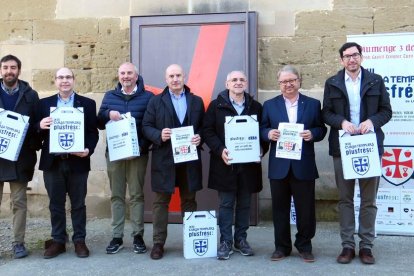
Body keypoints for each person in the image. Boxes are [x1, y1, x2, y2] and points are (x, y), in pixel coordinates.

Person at [322, 42, 392, 265]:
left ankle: (367, 246)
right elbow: (326, 113)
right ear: (341, 60)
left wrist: (371, 121)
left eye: (355, 55)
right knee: (345, 199)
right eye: (347, 56)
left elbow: (386, 111)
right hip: (343, 147)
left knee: (368, 200)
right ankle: (347, 246)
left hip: (369, 145)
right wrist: (342, 122)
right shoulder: (332, 83)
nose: (351, 59)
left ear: (361, 57)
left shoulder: (375, 80)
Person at [260, 65, 326, 263]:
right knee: (279, 209)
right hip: (279, 165)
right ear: (279, 84)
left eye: (291, 80)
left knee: (305, 209)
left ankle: (304, 245)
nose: (288, 84)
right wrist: (268, 133)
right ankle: (281, 247)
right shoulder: (269, 105)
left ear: (299, 81)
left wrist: (312, 134)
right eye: (283, 81)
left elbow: (321, 129)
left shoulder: (313, 104)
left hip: (303, 164)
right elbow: (262, 128)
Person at [203, 70, 268, 260]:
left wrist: (262, 150)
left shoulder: (256, 106)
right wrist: (219, 149)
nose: (238, 82)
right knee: (226, 204)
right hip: (225, 164)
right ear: (227, 83)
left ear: (246, 84)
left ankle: (241, 239)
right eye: (234, 80)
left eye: (241, 80)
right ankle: (225, 241)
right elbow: (207, 131)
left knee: (245, 204)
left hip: (248, 165)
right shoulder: (216, 106)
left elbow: (263, 132)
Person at [35, 67, 99, 259]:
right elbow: (34, 134)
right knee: (56, 204)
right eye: (61, 77)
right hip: (53, 162)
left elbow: (92, 133)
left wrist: (88, 150)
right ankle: (58, 241)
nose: (65, 81)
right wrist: (39, 126)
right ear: (55, 81)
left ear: (74, 80)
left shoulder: (87, 104)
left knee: (78, 203)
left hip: (77, 162)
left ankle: (79, 241)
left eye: (68, 77)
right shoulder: (43, 104)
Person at [142, 64, 204, 260]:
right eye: (171, 76)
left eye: (178, 75)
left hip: (189, 159)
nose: (175, 79)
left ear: (184, 77)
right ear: (166, 78)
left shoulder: (196, 101)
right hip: (164, 158)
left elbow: (204, 127)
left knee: (189, 200)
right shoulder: (156, 101)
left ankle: (191, 239)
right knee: (161, 202)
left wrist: (199, 137)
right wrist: (159, 134)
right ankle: (158, 243)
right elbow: (146, 126)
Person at [98, 62, 153, 254]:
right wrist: (107, 114)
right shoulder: (109, 96)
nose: (126, 76)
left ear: (136, 76)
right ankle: (117, 236)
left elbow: (150, 125)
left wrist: (142, 146)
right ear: (118, 76)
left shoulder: (148, 97)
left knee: (137, 195)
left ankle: (138, 235)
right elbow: (98, 122)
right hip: (115, 153)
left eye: (130, 73)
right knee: (117, 195)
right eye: (122, 73)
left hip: (138, 154)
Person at [0, 55, 39, 259]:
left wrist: (34, 136)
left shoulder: (31, 95)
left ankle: (18, 243)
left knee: (19, 203)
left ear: (19, 70)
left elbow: (36, 125)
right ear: (0, 70)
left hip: (20, 157)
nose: (9, 71)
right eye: (5, 67)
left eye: (13, 68)